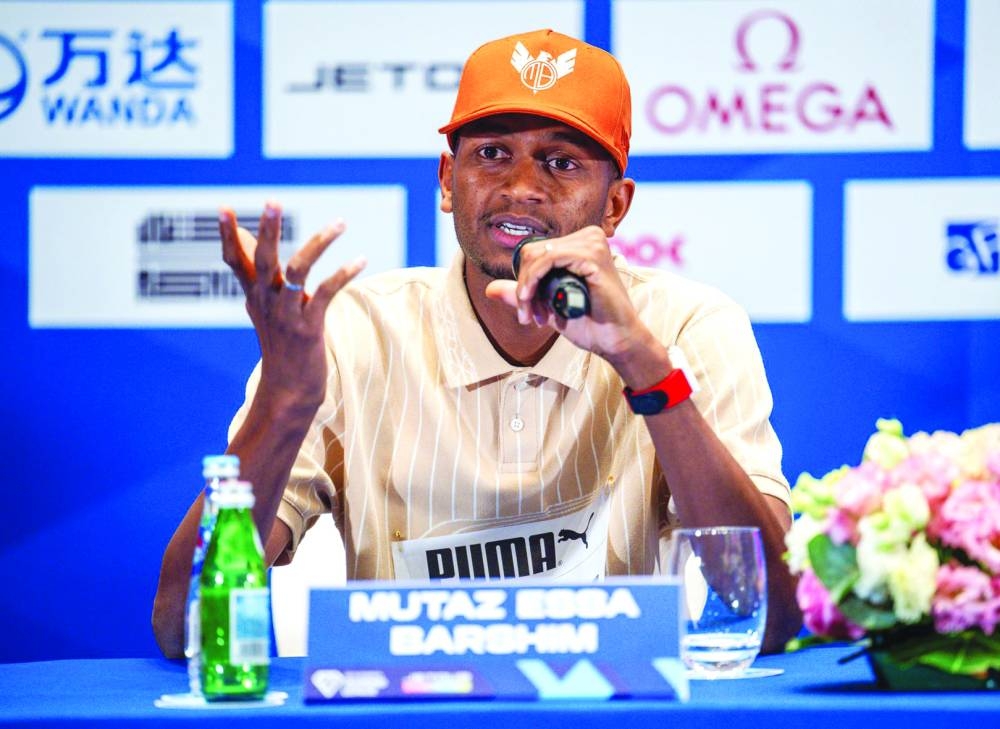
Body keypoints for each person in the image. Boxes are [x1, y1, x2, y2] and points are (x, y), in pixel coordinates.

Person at [153, 28, 801, 658]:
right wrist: (285, 405)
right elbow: (183, 623)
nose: (521, 185)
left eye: (562, 161)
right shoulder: (350, 330)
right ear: (445, 179)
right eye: (491, 153)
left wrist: (645, 366)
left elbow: (770, 615)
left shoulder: (688, 323)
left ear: (615, 206)